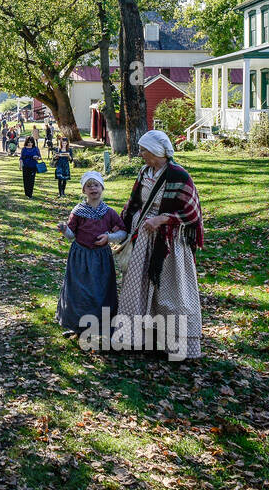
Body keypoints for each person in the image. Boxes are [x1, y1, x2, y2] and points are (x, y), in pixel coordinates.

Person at [117, 129, 205, 360]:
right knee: (138, 288)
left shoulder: (179, 176)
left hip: (168, 243)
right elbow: (133, 203)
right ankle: (138, 340)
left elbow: (192, 213)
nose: (140, 154)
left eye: (143, 150)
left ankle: (176, 345)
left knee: (170, 290)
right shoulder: (144, 172)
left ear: (156, 152)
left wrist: (163, 219)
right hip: (143, 239)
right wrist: (122, 228)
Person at [56, 171, 128, 335]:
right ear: (84, 190)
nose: (93, 188)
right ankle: (78, 326)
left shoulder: (108, 212)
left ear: (102, 187)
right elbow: (72, 236)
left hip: (101, 257)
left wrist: (108, 237)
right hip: (80, 257)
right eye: (89, 186)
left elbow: (123, 232)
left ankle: (102, 327)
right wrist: (64, 229)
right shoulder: (78, 211)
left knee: (100, 291)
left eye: (96, 185)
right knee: (79, 291)